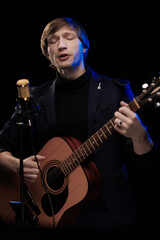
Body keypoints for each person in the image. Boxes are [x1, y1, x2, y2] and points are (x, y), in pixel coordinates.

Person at [0, 17, 157, 234]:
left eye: (69, 37)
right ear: (48, 53)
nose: (61, 45)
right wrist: (15, 165)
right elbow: (2, 145)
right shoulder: (35, 97)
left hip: (108, 212)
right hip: (50, 215)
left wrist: (140, 135)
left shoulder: (116, 90)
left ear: (84, 46)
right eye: (53, 41)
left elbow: (146, 165)